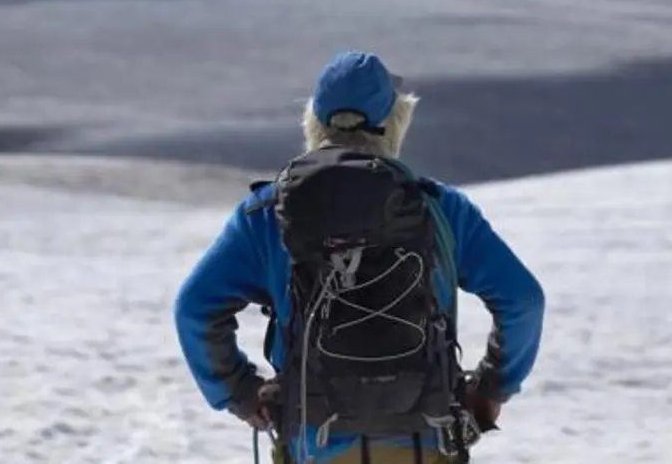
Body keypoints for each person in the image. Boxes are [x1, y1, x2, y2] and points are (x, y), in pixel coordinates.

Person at [174, 51, 545, 463]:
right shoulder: (442, 209)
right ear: (396, 121)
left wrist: (240, 393)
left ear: (313, 122)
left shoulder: (267, 214)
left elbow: (195, 309)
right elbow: (523, 300)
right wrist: (492, 387)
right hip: (426, 441)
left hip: (314, 442)